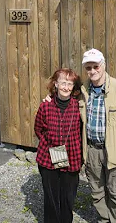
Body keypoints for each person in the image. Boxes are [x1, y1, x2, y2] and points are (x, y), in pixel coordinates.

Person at [44, 48, 116, 223]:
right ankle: (104, 220)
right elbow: (62, 92)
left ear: (103, 65)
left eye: (96, 66)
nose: (92, 71)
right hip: (92, 150)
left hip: (114, 151)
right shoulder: (82, 90)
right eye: (88, 68)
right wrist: (49, 98)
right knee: (97, 192)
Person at [34, 68, 84, 223]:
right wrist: (49, 142)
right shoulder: (46, 106)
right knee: (51, 198)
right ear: (55, 84)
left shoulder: (79, 107)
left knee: (68, 198)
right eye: (63, 83)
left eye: (70, 84)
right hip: (48, 159)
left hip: (72, 157)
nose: (66, 87)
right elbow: (39, 128)